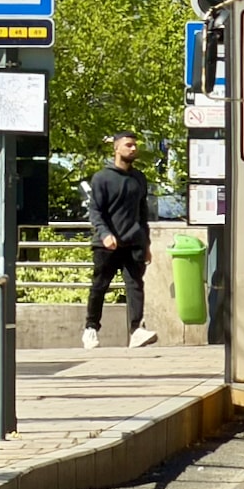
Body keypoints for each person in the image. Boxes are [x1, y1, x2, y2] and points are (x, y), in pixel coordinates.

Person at [84, 132, 157, 351]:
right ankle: (91, 328)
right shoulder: (102, 178)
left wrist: (146, 244)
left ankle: (136, 329)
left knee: (135, 285)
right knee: (100, 286)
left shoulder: (139, 178)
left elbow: (142, 213)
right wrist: (105, 234)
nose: (133, 149)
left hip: (133, 241)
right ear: (116, 149)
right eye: (128, 145)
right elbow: (95, 211)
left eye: (135, 145)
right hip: (106, 244)